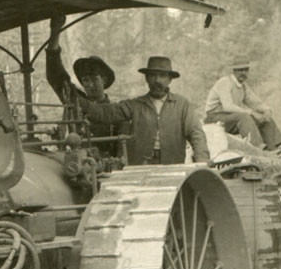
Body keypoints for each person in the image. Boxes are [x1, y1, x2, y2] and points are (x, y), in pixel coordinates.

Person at [75, 55, 209, 165]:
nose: (157, 80)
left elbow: (196, 133)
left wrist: (202, 161)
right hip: (140, 167)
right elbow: (106, 113)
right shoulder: (135, 105)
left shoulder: (182, 105)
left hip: (172, 165)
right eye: (152, 76)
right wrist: (77, 100)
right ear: (147, 78)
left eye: (162, 76)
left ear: (169, 79)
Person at [45, 15, 127, 157]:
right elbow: (56, 77)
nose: (89, 85)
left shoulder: (115, 112)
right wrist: (55, 32)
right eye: (85, 80)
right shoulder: (77, 101)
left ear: (104, 80)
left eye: (94, 79)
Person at [204, 56, 281, 152]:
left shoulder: (243, 86)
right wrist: (251, 112)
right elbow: (228, 106)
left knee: (265, 118)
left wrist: (267, 110)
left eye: (246, 70)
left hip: (232, 118)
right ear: (234, 71)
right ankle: (257, 148)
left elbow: (254, 102)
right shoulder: (225, 82)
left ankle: (272, 148)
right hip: (215, 119)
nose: (243, 73)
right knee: (245, 117)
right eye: (240, 70)